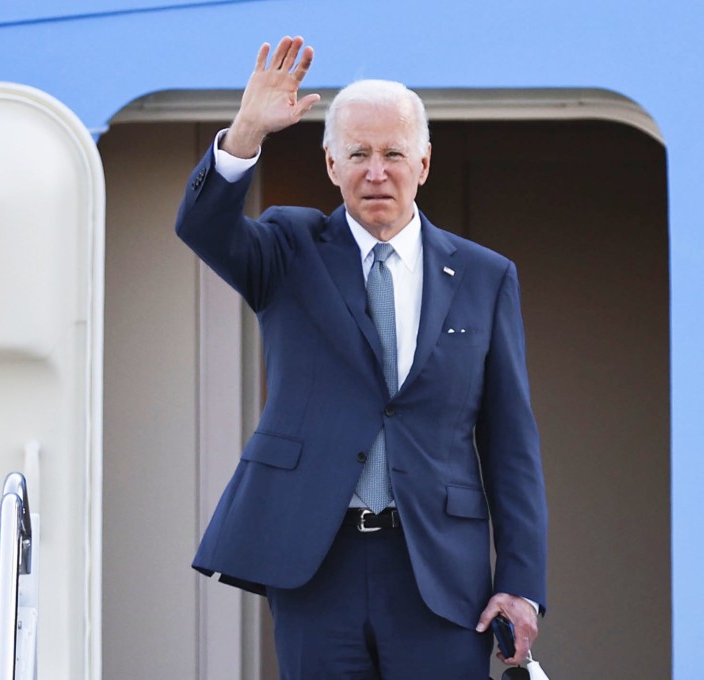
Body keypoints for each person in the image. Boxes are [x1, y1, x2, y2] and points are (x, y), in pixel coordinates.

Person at [174, 36, 548, 679]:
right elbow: (203, 227)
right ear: (330, 164)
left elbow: (511, 443)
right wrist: (246, 132)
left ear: (424, 163)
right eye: (359, 155)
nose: (377, 172)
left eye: (394, 154)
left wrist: (521, 582)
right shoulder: (288, 249)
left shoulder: (486, 277)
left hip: (438, 569)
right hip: (317, 560)